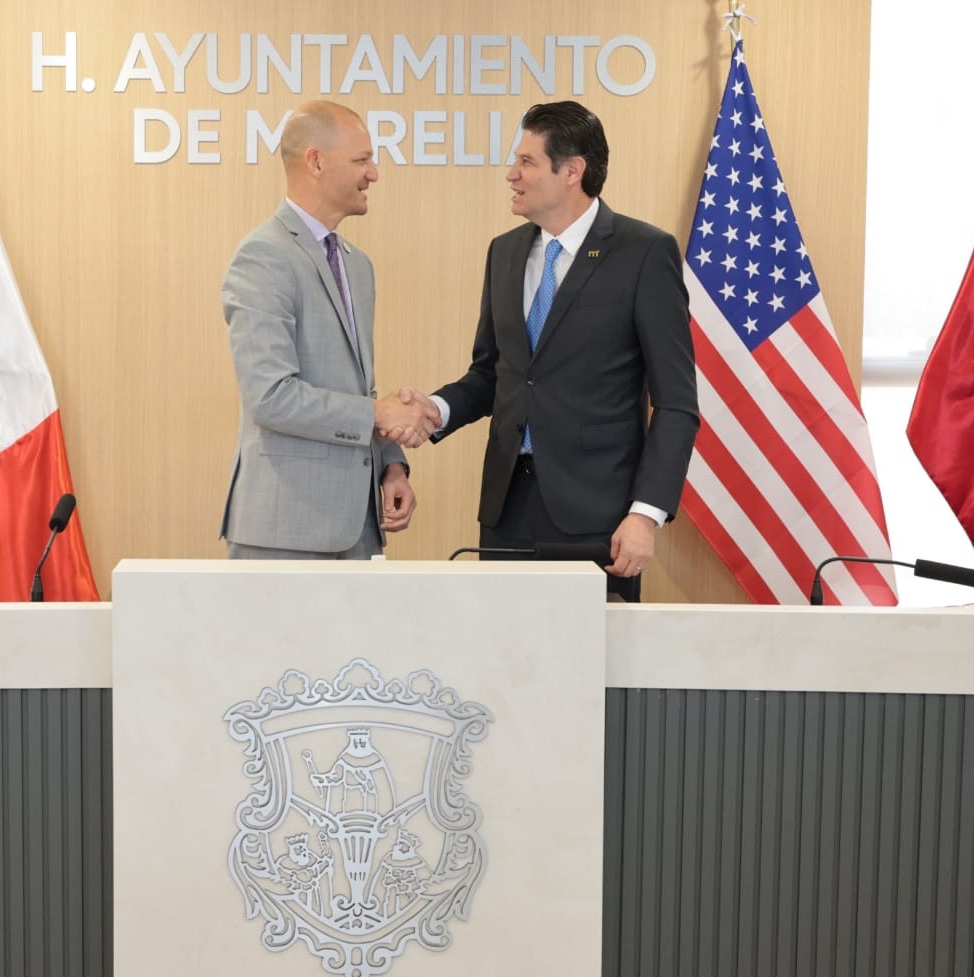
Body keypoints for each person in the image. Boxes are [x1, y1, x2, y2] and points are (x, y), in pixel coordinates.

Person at [405, 101, 699, 601]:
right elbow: (492, 375)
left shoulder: (644, 252)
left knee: (590, 651)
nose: (511, 174)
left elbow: (676, 403)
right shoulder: (505, 252)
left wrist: (645, 514)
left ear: (572, 171)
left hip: (601, 519)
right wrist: (434, 410)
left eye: (527, 162)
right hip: (506, 511)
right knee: (502, 646)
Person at [220, 100, 440, 559]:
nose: (373, 174)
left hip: (359, 531)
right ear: (316, 161)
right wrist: (378, 414)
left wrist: (391, 466)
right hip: (285, 533)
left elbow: (359, 390)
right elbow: (270, 396)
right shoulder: (263, 256)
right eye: (362, 160)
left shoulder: (359, 266)